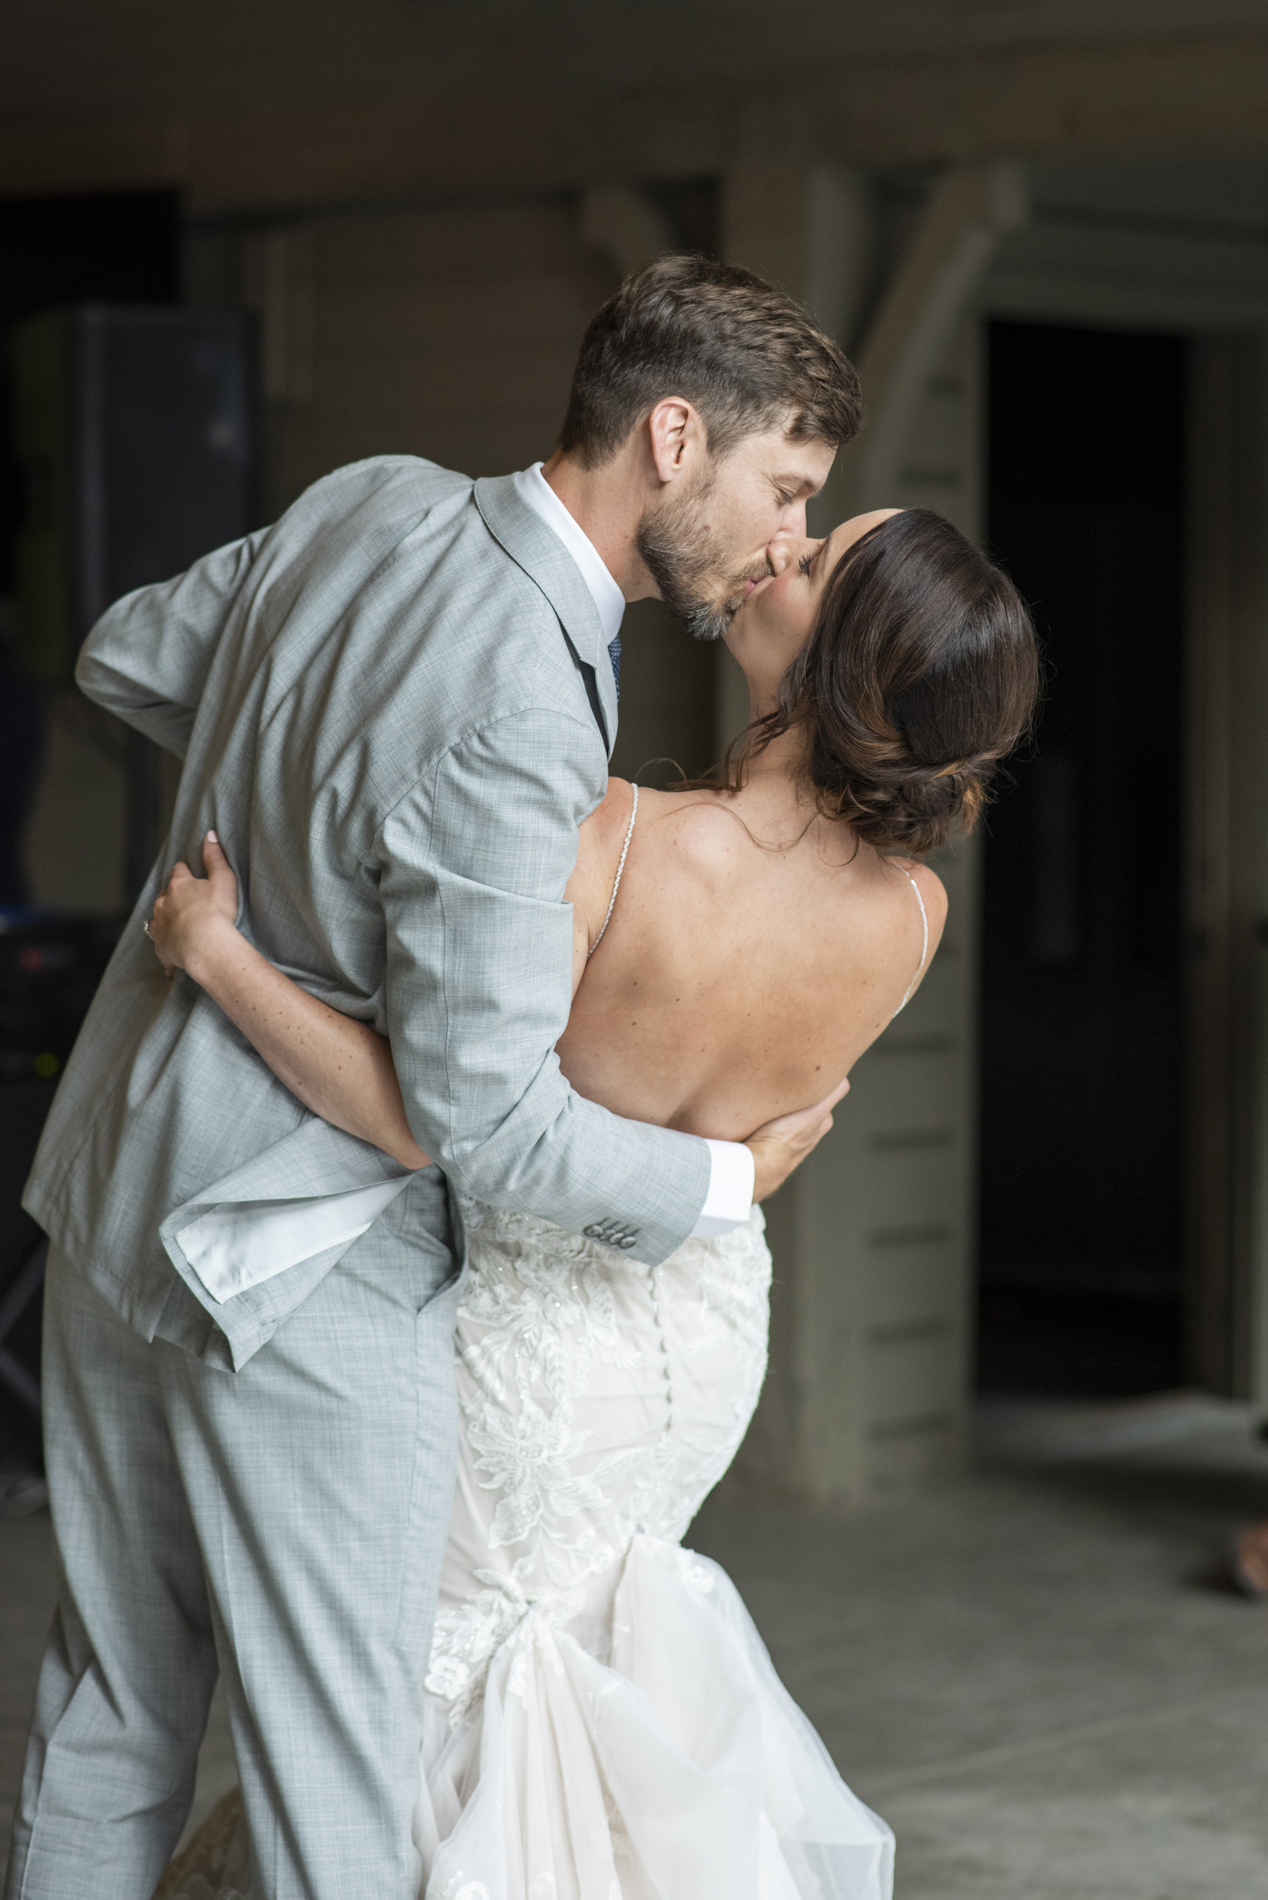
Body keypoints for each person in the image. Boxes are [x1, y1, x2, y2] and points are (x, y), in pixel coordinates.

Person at [5, 257, 865, 1900]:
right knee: (341, 1789)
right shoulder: (533, 701)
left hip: (114, 1184)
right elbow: (476, 1122)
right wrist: (716, 1186)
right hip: (300, 1279)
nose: (780, 541)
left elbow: (125, 652)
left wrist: (291, 769)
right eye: (786, 488)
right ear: (674, 438)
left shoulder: (370, 499)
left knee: (108, 1714)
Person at [149, 505, 1040, 1898]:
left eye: (812, 567)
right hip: (696, 1343)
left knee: (449, 1700)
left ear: (848, 668)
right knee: (592, 1662)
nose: (773, 556)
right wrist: (729, 1175)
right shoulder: (914, 914)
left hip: (524, 1361)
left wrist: (220, 959)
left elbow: (428, 1123)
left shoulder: (611, 839)